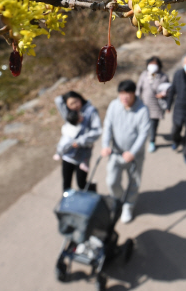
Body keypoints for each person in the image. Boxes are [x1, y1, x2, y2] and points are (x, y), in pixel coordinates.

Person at [101, 80, 151, 223]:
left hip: (134, 157)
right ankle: (120, 199)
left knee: (134, 182)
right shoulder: (113, 105)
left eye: (127, 94)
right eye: (121, 94)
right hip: (115, 153)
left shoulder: (142, 110)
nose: (124, 97)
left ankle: (129, 206)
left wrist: (133, 152)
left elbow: (143, 134)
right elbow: (108, 126)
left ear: (134, 93)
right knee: (111, 181)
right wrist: (105, 145)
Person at [54, 91, 102, 192]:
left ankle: (92, 194)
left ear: (80, 98)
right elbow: (58, 100)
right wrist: (66, 96)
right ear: (67, 105)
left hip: (83, 156)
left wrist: (80, 141)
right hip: (68, 154)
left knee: (82, 183)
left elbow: (97, 131)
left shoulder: (90, 111)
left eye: (76, 101)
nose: (75, 105)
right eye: (71, 104)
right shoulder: (69, 114)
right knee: (66, 183)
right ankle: (68, 205)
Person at [136, 56, 170, 153]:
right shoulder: (143, 75)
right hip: (143, 104)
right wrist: (136, 100)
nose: (153, 66)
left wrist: (164, 94)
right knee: (144, 123)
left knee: (153, 124)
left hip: (156, 106)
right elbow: (139, 89)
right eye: (151, 64)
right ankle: (145, 135)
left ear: (159, 66)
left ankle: (152, 141)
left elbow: (168, 89)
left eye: (155, 65)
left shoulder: (163, 77)